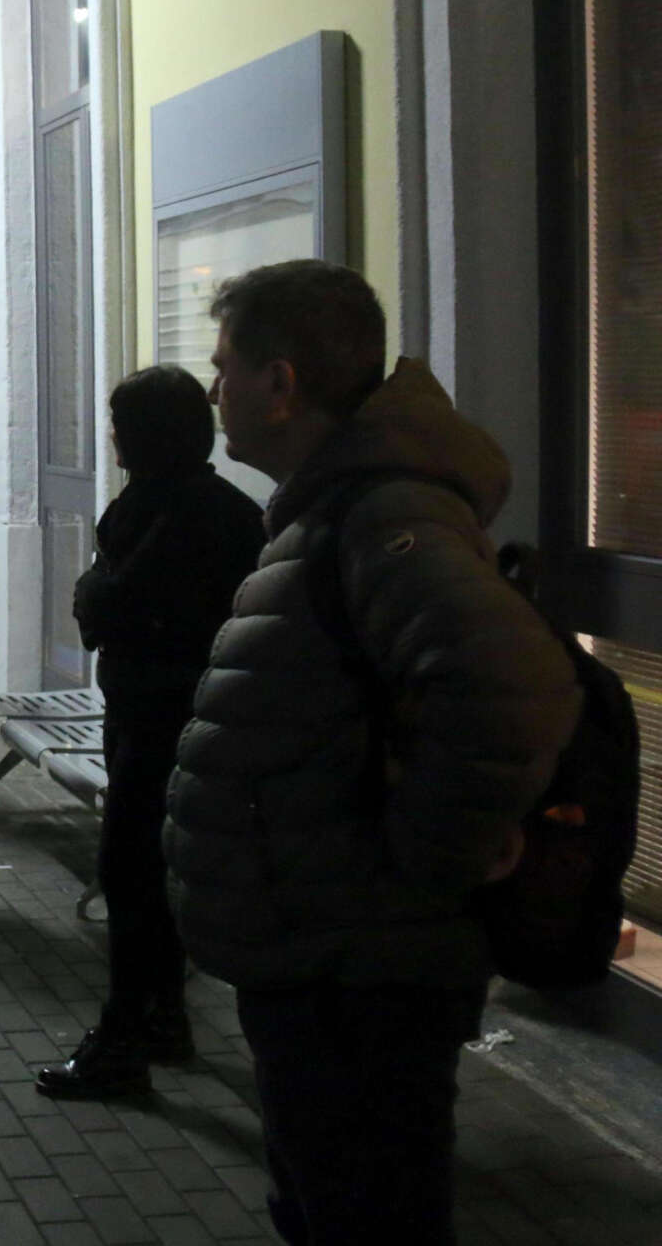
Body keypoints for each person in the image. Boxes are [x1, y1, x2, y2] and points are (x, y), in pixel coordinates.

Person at [164, 260, 580, 1242]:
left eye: (225, 368)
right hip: (331, 960)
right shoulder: (337, 511)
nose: (212, 389)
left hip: (360, 975)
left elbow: (511, 686)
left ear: (281, 383)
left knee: (365, 1214)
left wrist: (421, 860)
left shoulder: (382, 515)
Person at [37, 366, 264, 1099]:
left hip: (167, 719)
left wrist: (97, 592)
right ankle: (162, 1018)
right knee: (143, 874)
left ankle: (125, 1038)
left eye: (122, 421)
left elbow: (113, 603)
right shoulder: (188, 503)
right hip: (154, 711)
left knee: (132, 873)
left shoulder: (187, 512)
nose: (112, 435)